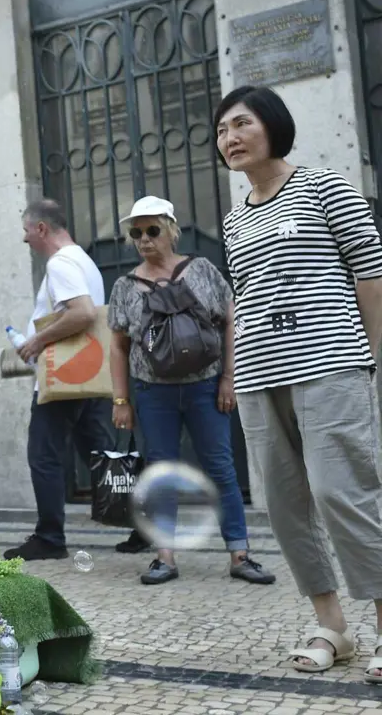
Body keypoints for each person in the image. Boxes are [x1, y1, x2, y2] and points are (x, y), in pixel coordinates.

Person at [216, 85, 382, 681]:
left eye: (241, 124)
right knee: (285, 508)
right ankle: (333, 629)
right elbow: (243, 301)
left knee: (345, 494)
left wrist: (369, 354)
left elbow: (369, 268)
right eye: (221, 131)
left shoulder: (324, 186)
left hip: (330, 364)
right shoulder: (235, 218)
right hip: (261, 378)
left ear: (273, 126)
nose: (229, 138)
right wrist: (236, 371)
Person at [107, 195, 274, 586]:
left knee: (221, 469)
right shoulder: (125, 286)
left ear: (171, 230)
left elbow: (231, 322)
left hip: (205, 388)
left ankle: (240, 554)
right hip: (152, 392)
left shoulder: (201, 271)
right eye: (136, 233)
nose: (144, 239)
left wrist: (229, 379)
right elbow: (117, 344)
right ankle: (165, 558)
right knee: (160, 472)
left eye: (152, 230)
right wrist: (120, 399)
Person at [6, 199, 148, 560]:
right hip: (88, 372)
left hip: (64, 377)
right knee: (99, 455)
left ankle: (50, 538)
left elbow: (82, 312)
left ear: (41, 229)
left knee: (44, 456)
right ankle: (143, 524)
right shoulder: (84, 261)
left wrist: (37, 341)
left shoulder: (61, 263)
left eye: (26, 232)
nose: (24, 240)